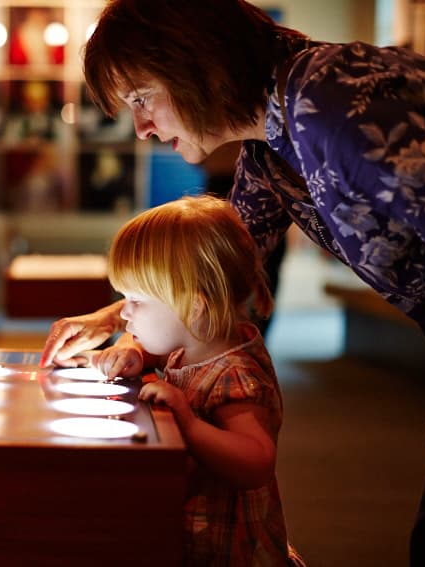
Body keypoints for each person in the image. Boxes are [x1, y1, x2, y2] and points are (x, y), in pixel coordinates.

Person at [39, 1, 425, 565]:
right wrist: (118, 320)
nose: (141, 128)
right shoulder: (270, 143)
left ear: (194, 66)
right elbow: (213, 272)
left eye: (142, 99)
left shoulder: (325, 102)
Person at [89, 195, 302, 565]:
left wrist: (188, 423)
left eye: (137, 299)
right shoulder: (194, 343)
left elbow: (257, 460)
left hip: (225, 551)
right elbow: (153, 349)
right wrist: (133, 353)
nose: (124, 312)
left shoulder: (236, 373)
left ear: (193, 306)